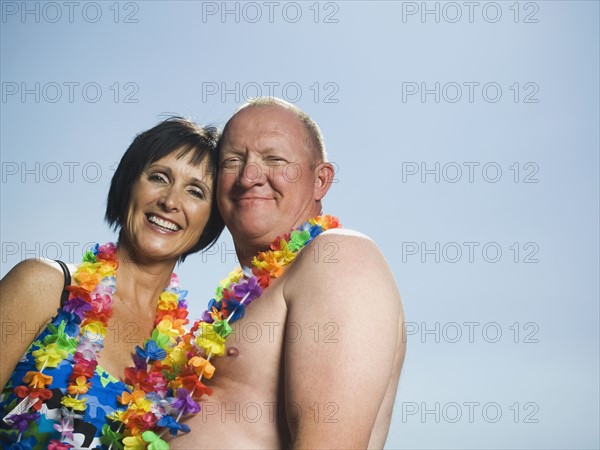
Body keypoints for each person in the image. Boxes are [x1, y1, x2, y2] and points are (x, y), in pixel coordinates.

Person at [176, 97, 406, 449]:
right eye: (233, 161)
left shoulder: (338, 255)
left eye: (274, 160)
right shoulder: (248, 295)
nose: (249, 177)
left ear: (320, 180)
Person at [0, 117, 224, 449]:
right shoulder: (44, 286)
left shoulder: (181, 365)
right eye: (158, 177)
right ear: (127, 185)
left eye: (195, 191)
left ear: (210, 221)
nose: (171, 201)